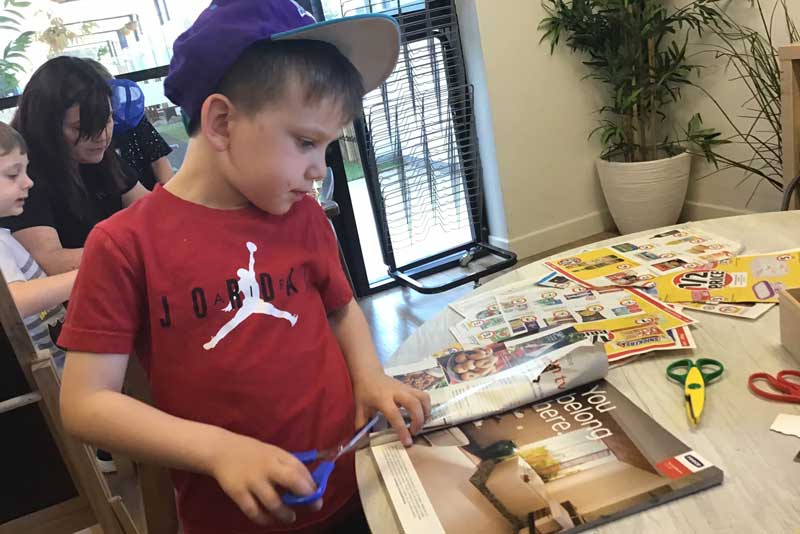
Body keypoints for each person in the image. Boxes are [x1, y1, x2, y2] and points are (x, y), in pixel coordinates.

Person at [58, 2, 429, 534]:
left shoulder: (303, 216)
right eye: (305, 141)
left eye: (327, 145)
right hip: (232, 519)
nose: (318, 170)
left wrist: (369, 378)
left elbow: (341, 307)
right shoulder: (122, 245)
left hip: (352, 484)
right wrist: (218, 450)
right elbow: (86, 402)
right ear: (222, 122)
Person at [0, 56, 149, 275]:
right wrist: (133, 247)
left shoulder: (97, 156)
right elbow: (52, 261)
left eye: (106, 120)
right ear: (47, 127)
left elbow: (149, 208)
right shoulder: (24, 177)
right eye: (81, 128)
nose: (101, 136)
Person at [0, 122, 74, 372]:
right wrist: (86, 275)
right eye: (13, 174)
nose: (28, 182)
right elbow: (13, 300)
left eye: (26, 171)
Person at [84, 58, 175, 189]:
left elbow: (159, 161)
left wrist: (170, 200)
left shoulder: (132, 118)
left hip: (151, 195)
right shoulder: (83, 137)